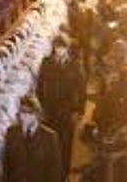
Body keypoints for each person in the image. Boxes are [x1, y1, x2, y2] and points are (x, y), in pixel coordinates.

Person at [37, 36, 85, 177]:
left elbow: (81, 88)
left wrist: (79, 110)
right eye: (57, 47)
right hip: (49, 111)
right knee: (50, 144)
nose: (59, 50)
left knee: (65, 145)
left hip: (67, 112)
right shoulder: (46, 63)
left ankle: (63, 175)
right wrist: (41, 107)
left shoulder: (75, 64)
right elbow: (39, 87)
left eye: (62, 47)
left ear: (67, 48)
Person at [2, 96, 63, 182]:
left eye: (29, 113)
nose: (25, 116)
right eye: (22, 112)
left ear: (37, 114)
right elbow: (6, 166)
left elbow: (55, 171)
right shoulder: (12, 133)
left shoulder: (49, 137)